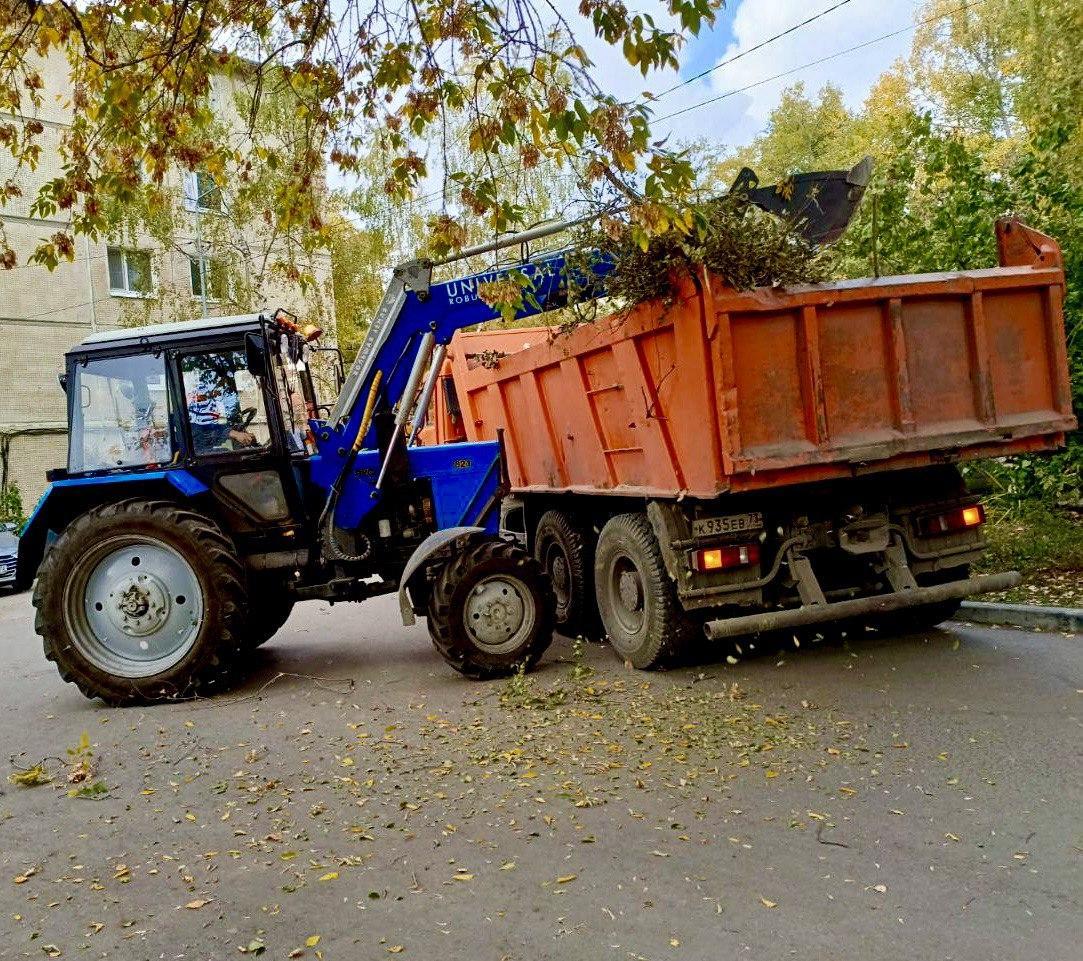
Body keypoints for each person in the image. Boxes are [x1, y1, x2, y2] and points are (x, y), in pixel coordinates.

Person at [186, 366, 257, 453]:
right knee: (228, 454)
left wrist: (237, 429)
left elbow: (213, 427)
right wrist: (232, 433)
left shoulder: (213, 408)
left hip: (204, 448)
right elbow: (203, 431)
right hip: (196, 453)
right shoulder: (190, 417)